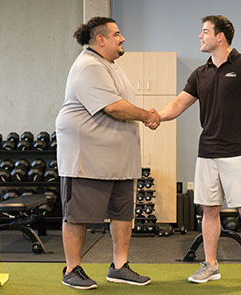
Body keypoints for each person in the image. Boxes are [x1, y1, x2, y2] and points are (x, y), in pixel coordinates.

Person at [158, 15, 241, 291]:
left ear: (220, 36)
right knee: (209, 209)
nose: (200, 37)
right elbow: (177, 105)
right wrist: (152, 117)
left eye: (204, 32)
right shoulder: (200, 73)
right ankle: (210, 265)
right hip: (207, 151)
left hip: (237, 150)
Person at [55, 16, 159, 290]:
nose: (122, 38)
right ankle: (72, 269)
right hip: (87, 157)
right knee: (77, 215)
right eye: (116, 34)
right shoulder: (88, 65)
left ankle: (119, 266)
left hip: (119, 159)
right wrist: (148, 116)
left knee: (123, 213)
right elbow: (114, 107)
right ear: (100, 39)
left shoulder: (110, 66)